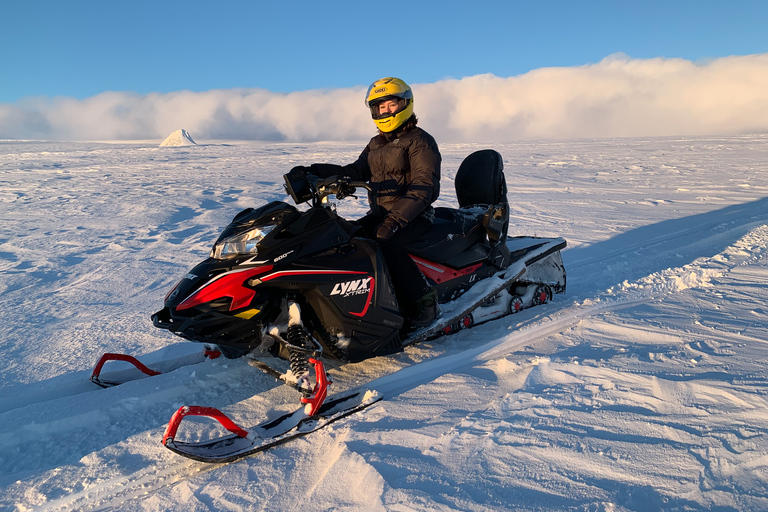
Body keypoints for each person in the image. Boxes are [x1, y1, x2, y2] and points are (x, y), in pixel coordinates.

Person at [291, 77, 441, 327]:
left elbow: (425, 186)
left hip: (414, 215)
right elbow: (356, 170)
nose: (386, 111)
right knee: (349, 239)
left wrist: (394, 220)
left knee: (385, 243)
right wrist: (314, 171)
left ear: (405, 104)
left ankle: (423, 302)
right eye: (380, 107)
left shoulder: (420, 140)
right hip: (382, 213)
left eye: (391, 105)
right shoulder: (376, 143)